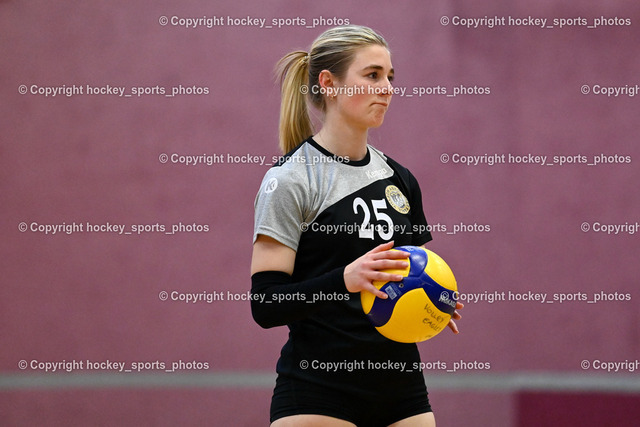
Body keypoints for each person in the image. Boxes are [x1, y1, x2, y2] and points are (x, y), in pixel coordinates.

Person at [250, 25, 463, 427]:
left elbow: (408, 270)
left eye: (390, 77)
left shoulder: (400, 179)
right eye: (372, 75)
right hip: (319, 390)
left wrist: (433, 297)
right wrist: (344, 279)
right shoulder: (292, 180)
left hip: (401, 387)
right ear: (329, 84)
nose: (387, 88)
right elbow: (265, 305)